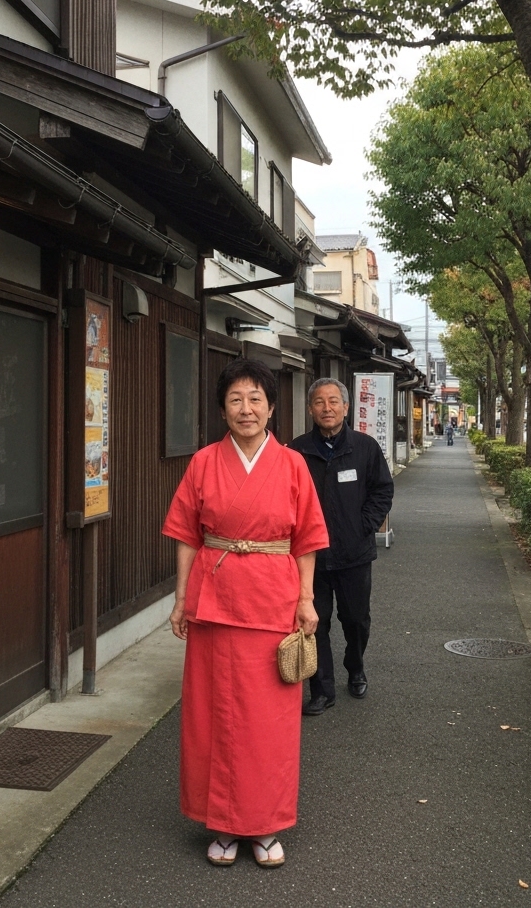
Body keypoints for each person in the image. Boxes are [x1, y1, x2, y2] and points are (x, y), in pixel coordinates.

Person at [163, 359, 329, 869]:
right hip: (215, 601)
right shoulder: (203, 462)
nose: (246, 409)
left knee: (269, 722)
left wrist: (306, 599)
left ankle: (265, 824)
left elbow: (307, 539)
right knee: (212, 716)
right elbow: (188, 535)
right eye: (236, 399)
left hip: (272, 602)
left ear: (272, 408)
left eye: (256, 399)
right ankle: (222, 825)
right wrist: (180, 598)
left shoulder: (294, 465)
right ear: (222, 410)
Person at [289, 379, 394, 716]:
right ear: (310, 409)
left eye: (334, 401)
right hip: (311, 557)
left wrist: (364, 525)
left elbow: (382, 491)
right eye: (319, 402)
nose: (327, 408)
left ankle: (356, 666)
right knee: (313, 623)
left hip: (354, 554)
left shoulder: (365, 447)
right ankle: (322, 690)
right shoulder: (296, 451)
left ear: (346, 408)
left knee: (356, 620)